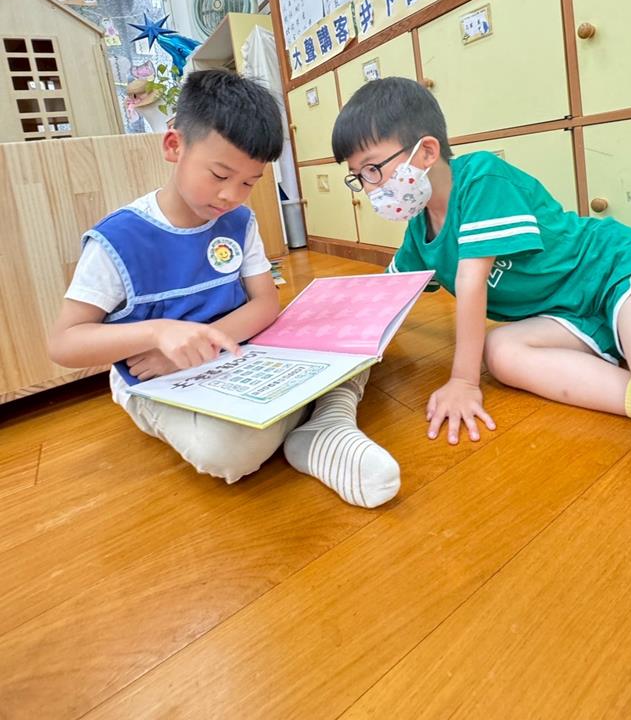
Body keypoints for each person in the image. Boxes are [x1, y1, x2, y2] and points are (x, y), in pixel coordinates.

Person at [331, 77, 631, 496]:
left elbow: (471, 280)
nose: (369, 188)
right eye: (358, 176)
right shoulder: (419, 232)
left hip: (616, 273)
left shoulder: (481, 177)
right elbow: (385, 298)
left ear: (426, 151)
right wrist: (328, 337)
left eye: (373, 169)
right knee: (501, 353)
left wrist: (463, 382)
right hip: (567, 316)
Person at [48, 69, 399, 509]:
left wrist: (211, 342)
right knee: (227, 452)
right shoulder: (118, 240)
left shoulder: (238, 222)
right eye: (219, 175)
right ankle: (329, 412)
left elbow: (265, 303)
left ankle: (326, 424)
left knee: (352, 334)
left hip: (237, 356)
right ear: (174, 146)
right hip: (160, 377)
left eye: (249, 182)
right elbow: (64, 343)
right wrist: (158, 334)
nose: (231, 195)